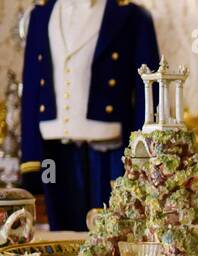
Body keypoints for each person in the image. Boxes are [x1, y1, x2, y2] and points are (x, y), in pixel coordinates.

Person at [19, 0, 160, 231]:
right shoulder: (40, 15)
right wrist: (31, 164)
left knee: (113, 234)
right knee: (60, 231)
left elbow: (149, 92)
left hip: (111, 151)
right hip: (52, 152)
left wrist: (142, 157)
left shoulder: (132, 16)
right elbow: (32, 91)